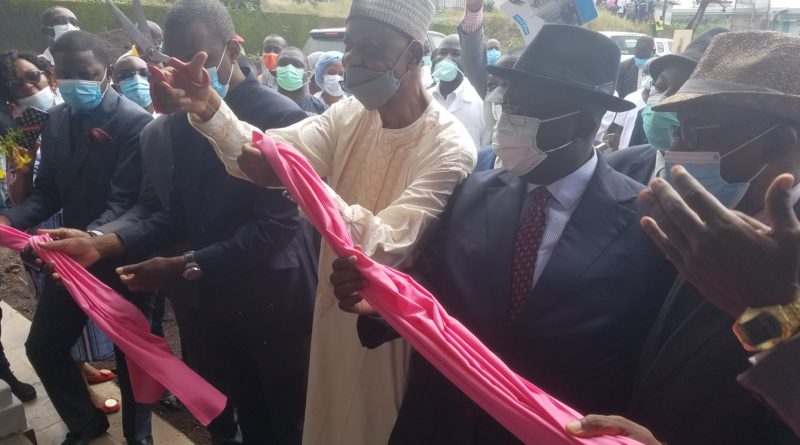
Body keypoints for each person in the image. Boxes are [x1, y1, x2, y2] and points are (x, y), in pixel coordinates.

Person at [330, 25, 675, 444]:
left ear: (583, 125)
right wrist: (382, 299)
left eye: (526, 113)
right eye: (507, 107)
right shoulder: (474, 192)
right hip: (442, 423)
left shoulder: (647, 223)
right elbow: (434, 281)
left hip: (553, 433)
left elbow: (649, 350)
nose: (507, 123)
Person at [148, 1, 476, 443]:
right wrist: (208, 106)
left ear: (415, 54)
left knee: (374, 428)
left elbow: (384, 242)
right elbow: (267, 152)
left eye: (371, 50)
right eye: (350, 45)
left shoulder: (450, 146)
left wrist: (294, 180)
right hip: (330, 311)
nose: (353, 60)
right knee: (323, 420)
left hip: (386, 329)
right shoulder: (351, 114)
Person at [39, 2, 316, 443]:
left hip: (274, 305)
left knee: (288, 424)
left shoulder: (282, 117)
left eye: (194, 58)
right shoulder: (181, 121)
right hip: (210, 304)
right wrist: (101, 243)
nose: (180, 72)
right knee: (234, 414)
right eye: (172, 60)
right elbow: (173, 212)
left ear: (232, 49)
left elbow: (277, 228)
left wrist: (183, 264)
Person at [569, 31, 800, 445]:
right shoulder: (714, 222)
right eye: (677, 129)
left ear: (775, 144)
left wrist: (774, 307)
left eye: (693, 131)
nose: (674, 147)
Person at [0, 31, 153, 445]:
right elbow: (49, 191)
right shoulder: (57, 120)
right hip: (71, 257)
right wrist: (8, 219)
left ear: (106, 71)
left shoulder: (134, 122)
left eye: (85, 73)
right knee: (44, 346)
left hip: (124, 254)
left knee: (132, 356)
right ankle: (86, 423)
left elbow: (124, 200)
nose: (75, 83)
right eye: (66, 75)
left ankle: (139, 436)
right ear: (54, 76)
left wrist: (90, 239)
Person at [608, 28, 728, 184]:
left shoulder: (734, 186)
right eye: (660, 86)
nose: (662, 103)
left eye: (683, 93)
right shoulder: (618, 167)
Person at [428, 35, 484, 148]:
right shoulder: (425, 97)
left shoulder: (479, 101)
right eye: (442, 53)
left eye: (456, 54)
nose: (447, 59)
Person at [275, 47, 327, 115]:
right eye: (283, 63)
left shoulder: (318, 107)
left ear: (308, 73)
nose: (289, 68)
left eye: (297, 64)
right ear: (275, 70)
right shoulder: (265, 104)